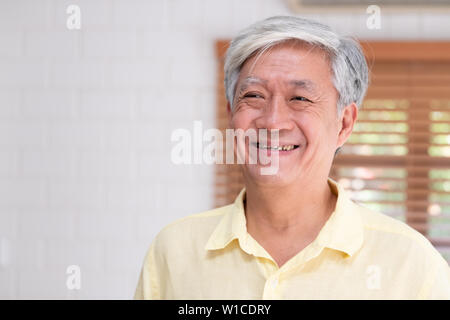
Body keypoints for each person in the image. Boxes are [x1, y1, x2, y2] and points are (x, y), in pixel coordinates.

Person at [134, 16, 450, 299]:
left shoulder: (411, 264)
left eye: (299, 98)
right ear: (231, 114)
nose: (272, 121)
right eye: (254, 96)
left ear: (344, 123)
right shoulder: (173, 250)